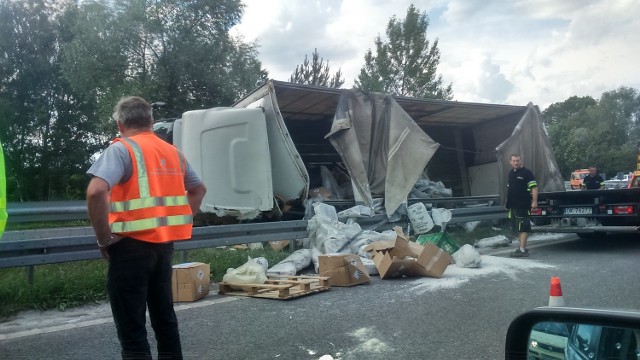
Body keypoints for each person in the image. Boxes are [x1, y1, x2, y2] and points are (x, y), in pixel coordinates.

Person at [86, 96, 206, 359]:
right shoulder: (173, 152)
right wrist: (181, 220)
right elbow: (198, 189)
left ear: (120, 124)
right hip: (163, 247)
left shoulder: (121, 150)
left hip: (128, 248)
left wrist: (104, 240)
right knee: (165, 320)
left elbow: (96, 192)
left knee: (133, 333)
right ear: (150, 121)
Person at [505, 154, 538, 258]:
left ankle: (522, 250)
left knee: (524, 227)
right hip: (513, 205)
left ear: (521, 161)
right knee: (518, 228)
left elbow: (534, 188)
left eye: (517, 160)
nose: (516, 162)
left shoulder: (527, 173)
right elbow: (509, 189)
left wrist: (534, 202)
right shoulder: (511, 173)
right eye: (514, 161)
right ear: (510, 162)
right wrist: (507, 202)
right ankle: (521, 248)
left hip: (523, 204)